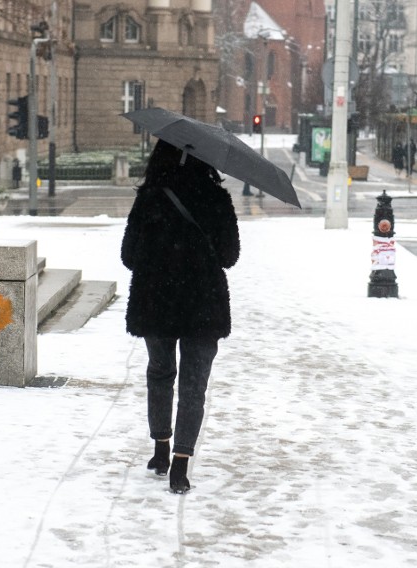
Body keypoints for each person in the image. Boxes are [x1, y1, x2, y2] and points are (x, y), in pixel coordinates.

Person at [121, 139, 241, 494]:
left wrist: (160, 256)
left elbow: (129, 256)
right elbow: (229, 256)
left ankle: (160, 449)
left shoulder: (149, 198)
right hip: (203, 304)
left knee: (160, 373)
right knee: (193, 386)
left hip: (156, 301)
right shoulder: (217, 200)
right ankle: (181, 466)